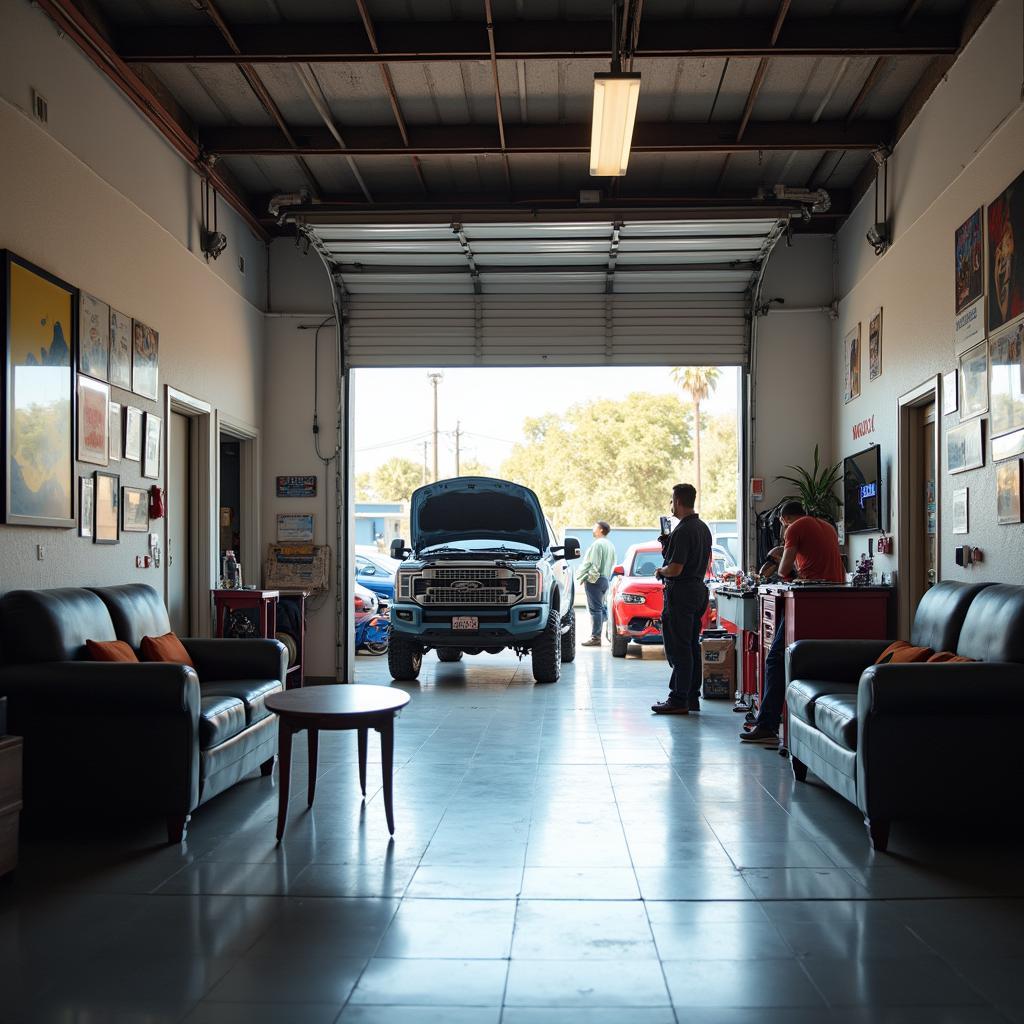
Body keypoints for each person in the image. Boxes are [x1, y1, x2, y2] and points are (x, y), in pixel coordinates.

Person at [741, 500, 844, 744]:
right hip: (835, 599)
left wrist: (779, 558)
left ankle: (767, 725)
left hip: (808, 600)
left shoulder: (793, 529)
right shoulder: (827, 526)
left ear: (783, 519)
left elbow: (784, 570)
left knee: (776, 659)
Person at [651, 483, 712, 715]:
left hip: (681, 593)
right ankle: (691, 696)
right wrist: (668, 544)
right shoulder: (702, 528)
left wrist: (661, 571)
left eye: (672, 501)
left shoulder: (684, 530)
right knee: (692, 646)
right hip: (697, 591)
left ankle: (678, 699)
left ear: (677, 501)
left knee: (679, 648)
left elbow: (675, 569)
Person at [578, 521, 616, 647]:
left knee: (595, 610)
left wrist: (589, 578)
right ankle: (605, 630)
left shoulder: (597, 544)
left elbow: (594, 564)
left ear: (600, 530)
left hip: (595, 579)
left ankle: (595, 638)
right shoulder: (610, 545)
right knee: (599, 608)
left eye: (595, 527)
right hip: (605, 579)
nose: (592, 529)